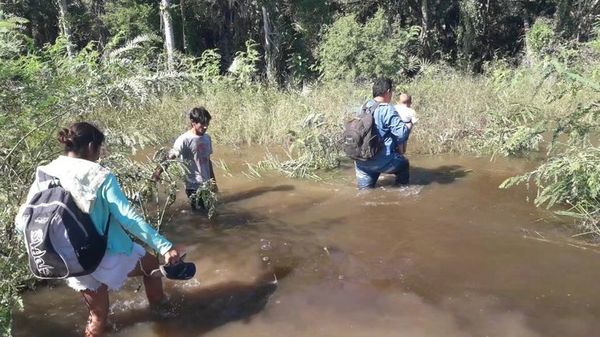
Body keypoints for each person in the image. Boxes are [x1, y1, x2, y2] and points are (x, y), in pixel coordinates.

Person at [15, 122, 182, 337]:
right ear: (92, 146)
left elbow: (23, 221)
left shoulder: (45, 172)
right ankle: (162, 319)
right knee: (151, 267)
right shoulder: (99, 175)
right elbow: (128, 217)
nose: (99, 154)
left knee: (97, 316)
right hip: (105, 254)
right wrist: (164, 246)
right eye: (99, 149)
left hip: (69, 259)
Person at [153, 106, 217, 210]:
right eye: (202, 124)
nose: (205, 127)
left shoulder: (207, 138)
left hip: (207, 184)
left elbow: (207, 161)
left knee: (210, 211)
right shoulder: (184, 140)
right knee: (200, 215)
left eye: (207, 124)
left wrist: (213, 182)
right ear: (193, 122)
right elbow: (169, 157)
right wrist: (156, 174)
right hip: (193, 186)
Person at [354, 78, 413, 189]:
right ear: (388, 92)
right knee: (404, 165)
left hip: (361, 160)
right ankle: (403, 192)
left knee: (364, 193)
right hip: (382, 160)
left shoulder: (363, 107)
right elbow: (402, 134)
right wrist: (408, 126)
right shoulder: (386, 109)